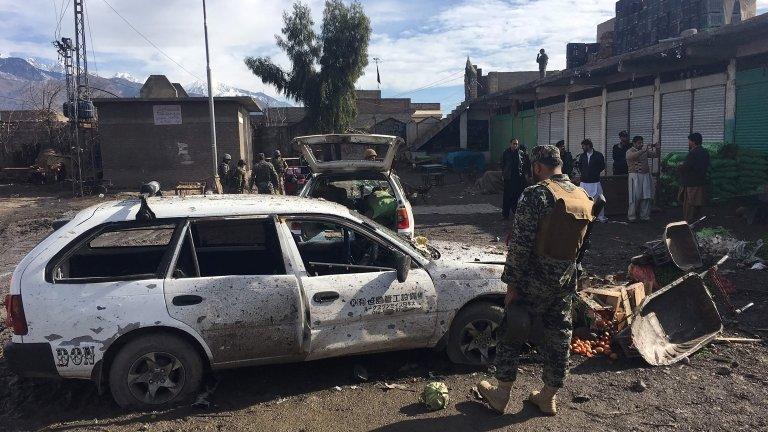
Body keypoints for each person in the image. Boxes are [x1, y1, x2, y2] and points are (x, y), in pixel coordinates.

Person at [477, 145, 595, 416]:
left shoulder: (535, 195)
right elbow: (581, 245)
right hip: (564, 280)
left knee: (512, 330)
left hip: (533, 279)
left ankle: (501, 394)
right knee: (560, 336)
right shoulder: (582, 195)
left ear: (537, 167)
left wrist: (511, 285)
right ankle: (548, 396)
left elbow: (520, 244)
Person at [679, 132, 710, 222]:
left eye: (689, 141)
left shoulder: (693, 153)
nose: (688, 143)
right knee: (699, 203)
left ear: (693, 142)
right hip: (701, 182)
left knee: (689, 203)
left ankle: (688, 222)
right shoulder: (705, 152)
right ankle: (699, 220)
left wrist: (680, 165)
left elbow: (686, 167)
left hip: (691, 183)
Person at [626, 136, 658, 222]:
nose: (641, 144)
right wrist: (643, 150)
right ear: (634, 143)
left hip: (646, 175)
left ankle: (645, 215)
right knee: (634, 197)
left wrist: (657, 148)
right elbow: (631, 157)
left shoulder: (645, 151)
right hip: (635, 175)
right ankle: (632, 216)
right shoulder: (630, 151)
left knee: (646, 196)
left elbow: (655, 155)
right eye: (639, 143)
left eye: (641, 142)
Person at [577, 139, 607, 222]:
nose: (582, 147)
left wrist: (594, 172)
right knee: (583, 199)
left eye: (583, 146)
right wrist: (584, 173)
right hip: (584, 181)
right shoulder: (582, 156)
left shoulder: (598, 155)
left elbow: (602, 166)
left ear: (588, 145)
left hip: (595, 181)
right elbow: (580, 166)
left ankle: (600, 216)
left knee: (599, 199)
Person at [501, 138, 526, 219]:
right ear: (510, 144)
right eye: (514, 143)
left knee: (517, 196)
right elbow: (503, 164)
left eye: (516, 144)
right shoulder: (506, 153)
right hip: (508, 177)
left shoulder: (520, 153)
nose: (515, 145)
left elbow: (524, 165)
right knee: (507, 196)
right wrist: (503, 174)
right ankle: (505, 215)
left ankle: (516, 213)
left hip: (518, 178)